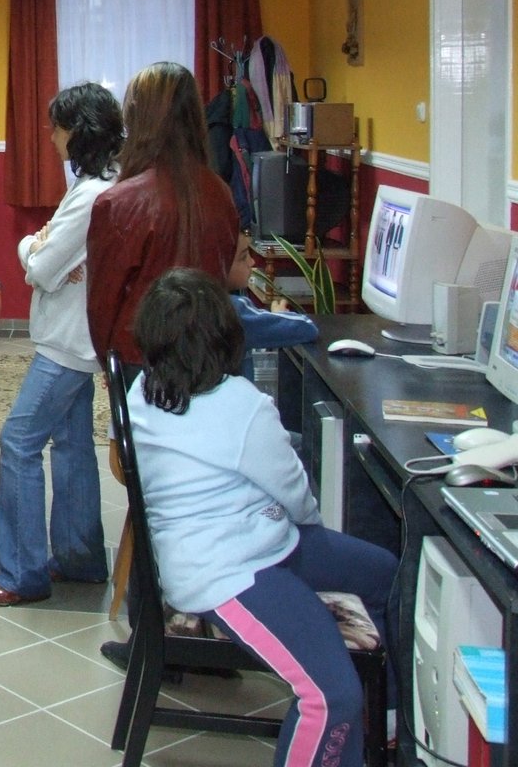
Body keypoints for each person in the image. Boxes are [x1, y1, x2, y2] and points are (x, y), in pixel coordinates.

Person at [128, 269, 396, 767]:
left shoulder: (143, 390)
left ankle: (379, 729)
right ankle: (362, 721)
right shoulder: (241, 406)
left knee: (384, 573)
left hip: (238, 546)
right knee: (330, 696)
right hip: (229, 574)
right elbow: (295, 494)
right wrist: (306, 530)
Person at [0, 82, 123, 607]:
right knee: (74, 445)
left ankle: (21, 574)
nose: (52, 137)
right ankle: (80, 558)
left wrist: (30, 246)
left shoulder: (90, 195)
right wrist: (39, 249)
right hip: (79, 339)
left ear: (78, 132)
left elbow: (40, 269)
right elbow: (51, 263)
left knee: (18, 442)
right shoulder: (103, 183)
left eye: (57, 128)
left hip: (66, 344)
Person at [86, 61, 240, 367]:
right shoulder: (221, 193)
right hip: (205, 358)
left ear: (137, 118)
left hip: (140, 358)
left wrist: (111, 365)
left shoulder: (117, 202)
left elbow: (102, 306)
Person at [227, 231, 318, 380]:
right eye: (243, 257)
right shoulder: (233, 311)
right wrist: (279, 316)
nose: (252, 262)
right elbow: (307, 328)